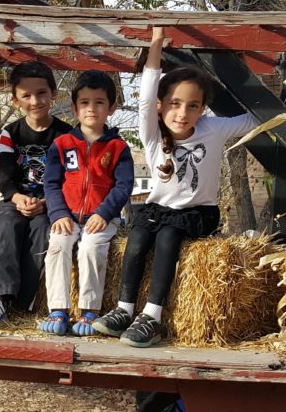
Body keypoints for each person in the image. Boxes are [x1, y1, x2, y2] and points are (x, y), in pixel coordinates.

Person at [93, 27, 256, 347]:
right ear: (160, 105)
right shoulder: (152, 132)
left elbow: (255, 119)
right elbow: (147, 89)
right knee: (138, 238)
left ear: (203, 108)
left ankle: (151, 317)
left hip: (197, 213)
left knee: (167, 239)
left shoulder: (214, 128)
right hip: (159, 208)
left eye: (193, 106)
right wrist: (156, 42)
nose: (183, 113)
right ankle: (124, 309)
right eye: (175, 104)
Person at [0, 62, 73, 328]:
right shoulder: (10, 134)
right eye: (26, 96)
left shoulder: (66, 135)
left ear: (54, 94)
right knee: (5, 224)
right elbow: (6, 180)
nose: (35, 101)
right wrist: (19, 200)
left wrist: (45, 204)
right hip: (15, 200)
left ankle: (19, 302)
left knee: (42, 233)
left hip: (51, 203)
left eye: (41, 93)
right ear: (15, 101)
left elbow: (69, 181)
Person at [39, 70, 134, 336]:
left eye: (99, 102)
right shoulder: (62, 144)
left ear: (112, 108)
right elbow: (52, 183)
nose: (91, 108)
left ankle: (90, 310)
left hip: (101, 217)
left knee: (91, 248)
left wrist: (104, 212)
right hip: (67, 216)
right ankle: (58, 309)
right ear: (74, 107)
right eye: (85, 102)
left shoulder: (118, 147)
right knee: (58, 246)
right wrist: (58, 213)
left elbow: (124, 186)